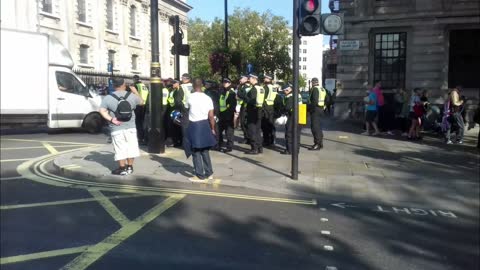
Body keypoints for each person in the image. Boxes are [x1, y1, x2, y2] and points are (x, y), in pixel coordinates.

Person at [99, 77, 144, 175]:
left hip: (117, 127)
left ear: (114, 86)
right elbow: (142, 102)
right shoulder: (131, 96)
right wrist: (135, 91)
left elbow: (102, 111)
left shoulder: (108, 97)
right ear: (124, 85)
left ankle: (122, 168)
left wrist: (111, 119)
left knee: (120, 148)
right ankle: (130, 167)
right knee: (131, 147)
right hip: (131, 126)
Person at [185, 78, 217, 182]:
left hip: (194, 125)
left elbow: (186, 108)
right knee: (205, 150)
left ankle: (199, 175)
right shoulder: (208, 98)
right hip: (205, 124)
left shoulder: (190, 97)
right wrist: (212, 128)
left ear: (193, 86)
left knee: (195, 151)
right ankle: (209, 173)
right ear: (202, 86)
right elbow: (211, 116)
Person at [244, 73, 265, 155]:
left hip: (253, 111)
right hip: (259, 110)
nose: (249, 80)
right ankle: (260, 147)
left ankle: (254, 148)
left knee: (252, 130)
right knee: (258, 130)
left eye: (250, 78)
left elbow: (251, 101)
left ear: (254, 79)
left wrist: (245, 98)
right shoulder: (261, 88)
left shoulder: (253, 89)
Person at [218, 78, 237, 153]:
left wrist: (229, 114)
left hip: (228, 114)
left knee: (229, 131)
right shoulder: (223, 91)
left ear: (230, 83)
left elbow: (232, 105)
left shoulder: (231, 92)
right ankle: (219, 143)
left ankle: (229, 147)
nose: (224, 83)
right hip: (222, 114)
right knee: (219, 130)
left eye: (226, 82)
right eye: (224, 82)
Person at [281, 83, 300, 155]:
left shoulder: (290, 96)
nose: (284, 92)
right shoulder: (298, 94)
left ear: (289, 89)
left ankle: (289, 150)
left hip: (292, 116)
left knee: (289, 133)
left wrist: (282, 111)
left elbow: (287, 107)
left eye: (285, 90)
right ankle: (296, 150)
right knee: (297, 134)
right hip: (300, 115)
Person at [308, 77, 326, 150]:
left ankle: (317, 144)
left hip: (315, 109)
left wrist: (310, 110)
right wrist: (323, 106)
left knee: (314, 127)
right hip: (320, 109)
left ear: (313, 82)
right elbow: (328, 99)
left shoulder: (315, 89)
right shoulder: (322, 89)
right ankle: (320, 143)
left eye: (312, 82)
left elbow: (314, 100)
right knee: (318, 127)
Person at [166, 79, 185, 147]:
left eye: (174, 83)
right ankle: (176, 141)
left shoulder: (180, 90)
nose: (172, 84)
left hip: (177, 110)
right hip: (172, 109)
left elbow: (178, 101)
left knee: (177, 126)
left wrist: (177, 110)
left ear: (178, 83)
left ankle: (177, 142)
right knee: (174, 126)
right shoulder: (173, 90)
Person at [131, 75, 149, 145]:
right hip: (144, 105)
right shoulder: (144, 85)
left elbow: (133, 95)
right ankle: (144, 137)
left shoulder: (135, 85)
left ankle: (140, 138)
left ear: (134, 79)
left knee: (138, 122)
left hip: (138, 105)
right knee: (143, 122)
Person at [204, 80, 221, 150]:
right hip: (210, 111)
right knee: (211, 127)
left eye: (207, 84)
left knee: (214, 128)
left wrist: (215, 113)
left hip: (213, 112)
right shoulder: (208, 91)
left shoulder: (212, 92)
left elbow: (215, 104)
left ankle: (216, 144)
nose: (205, 85)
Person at [261, 74, 277, 147]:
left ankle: (266, 141)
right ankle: (272, 140)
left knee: (265, 125)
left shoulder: (265, 87)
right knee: (271, 125)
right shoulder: (274, 87)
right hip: (271, 107)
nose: (264, 79)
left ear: (269, 79)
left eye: (265, 78)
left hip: (265, 107)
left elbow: (262, 97)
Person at [236, 75, 251, 144]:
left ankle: (248, 138)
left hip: (246, 107)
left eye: (241, 79)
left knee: (244, 123)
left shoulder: (247, 87)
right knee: (242, 123)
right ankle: (247, 137)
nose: (240, 80)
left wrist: (238, 92)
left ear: (245, 79)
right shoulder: (242, 86)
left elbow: (243, 95)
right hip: (243, 106)